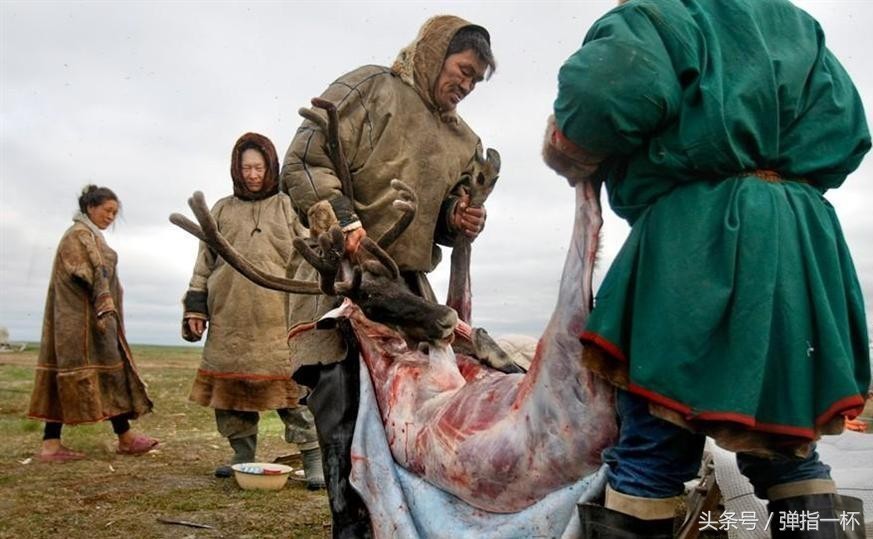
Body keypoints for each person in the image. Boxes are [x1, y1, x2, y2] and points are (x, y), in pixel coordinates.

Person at [543, 0, 870, 537]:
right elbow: (849, 130)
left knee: (654, 449)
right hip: (795, 247)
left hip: (696, 244)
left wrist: (567, 142)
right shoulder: (796, 25)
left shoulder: (662, 14)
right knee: (788, 449)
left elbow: (602, 95)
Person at [281, 15, 495, 537]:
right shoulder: (370, 88)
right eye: (462, 70)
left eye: (475, 80)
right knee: (344, 411)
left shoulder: (464, 139)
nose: (465, 85)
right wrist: (344, 223)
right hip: (337, 276)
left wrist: (459, 218)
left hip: (407, 290)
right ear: (434, 52)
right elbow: (305, 161)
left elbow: (448, 217)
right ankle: (349, 527)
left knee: (414, 421)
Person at [181, 132, 324, 489]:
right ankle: (242, 457)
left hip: (279, 318)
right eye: (246, 167)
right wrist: (195, 306)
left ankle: (314, 459)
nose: (253, 174)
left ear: (270, 166)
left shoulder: (287, 206)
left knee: (293, 394)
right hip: (229, 316)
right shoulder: (221, 210)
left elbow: (311, 252)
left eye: (259, 167)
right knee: (232, 396)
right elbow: (204, 262)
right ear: (236, 169)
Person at [27, 185, 157, 462]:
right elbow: (92, 272)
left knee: (105, 375)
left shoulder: (88, 235)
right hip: (82, 324)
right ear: (90, 207)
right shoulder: (79, 235)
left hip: (86, 322)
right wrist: (104, 304)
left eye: (115, 213)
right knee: (93, 375)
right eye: (107, 210)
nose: (111, 217)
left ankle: (120, 437)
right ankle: (114, 439)